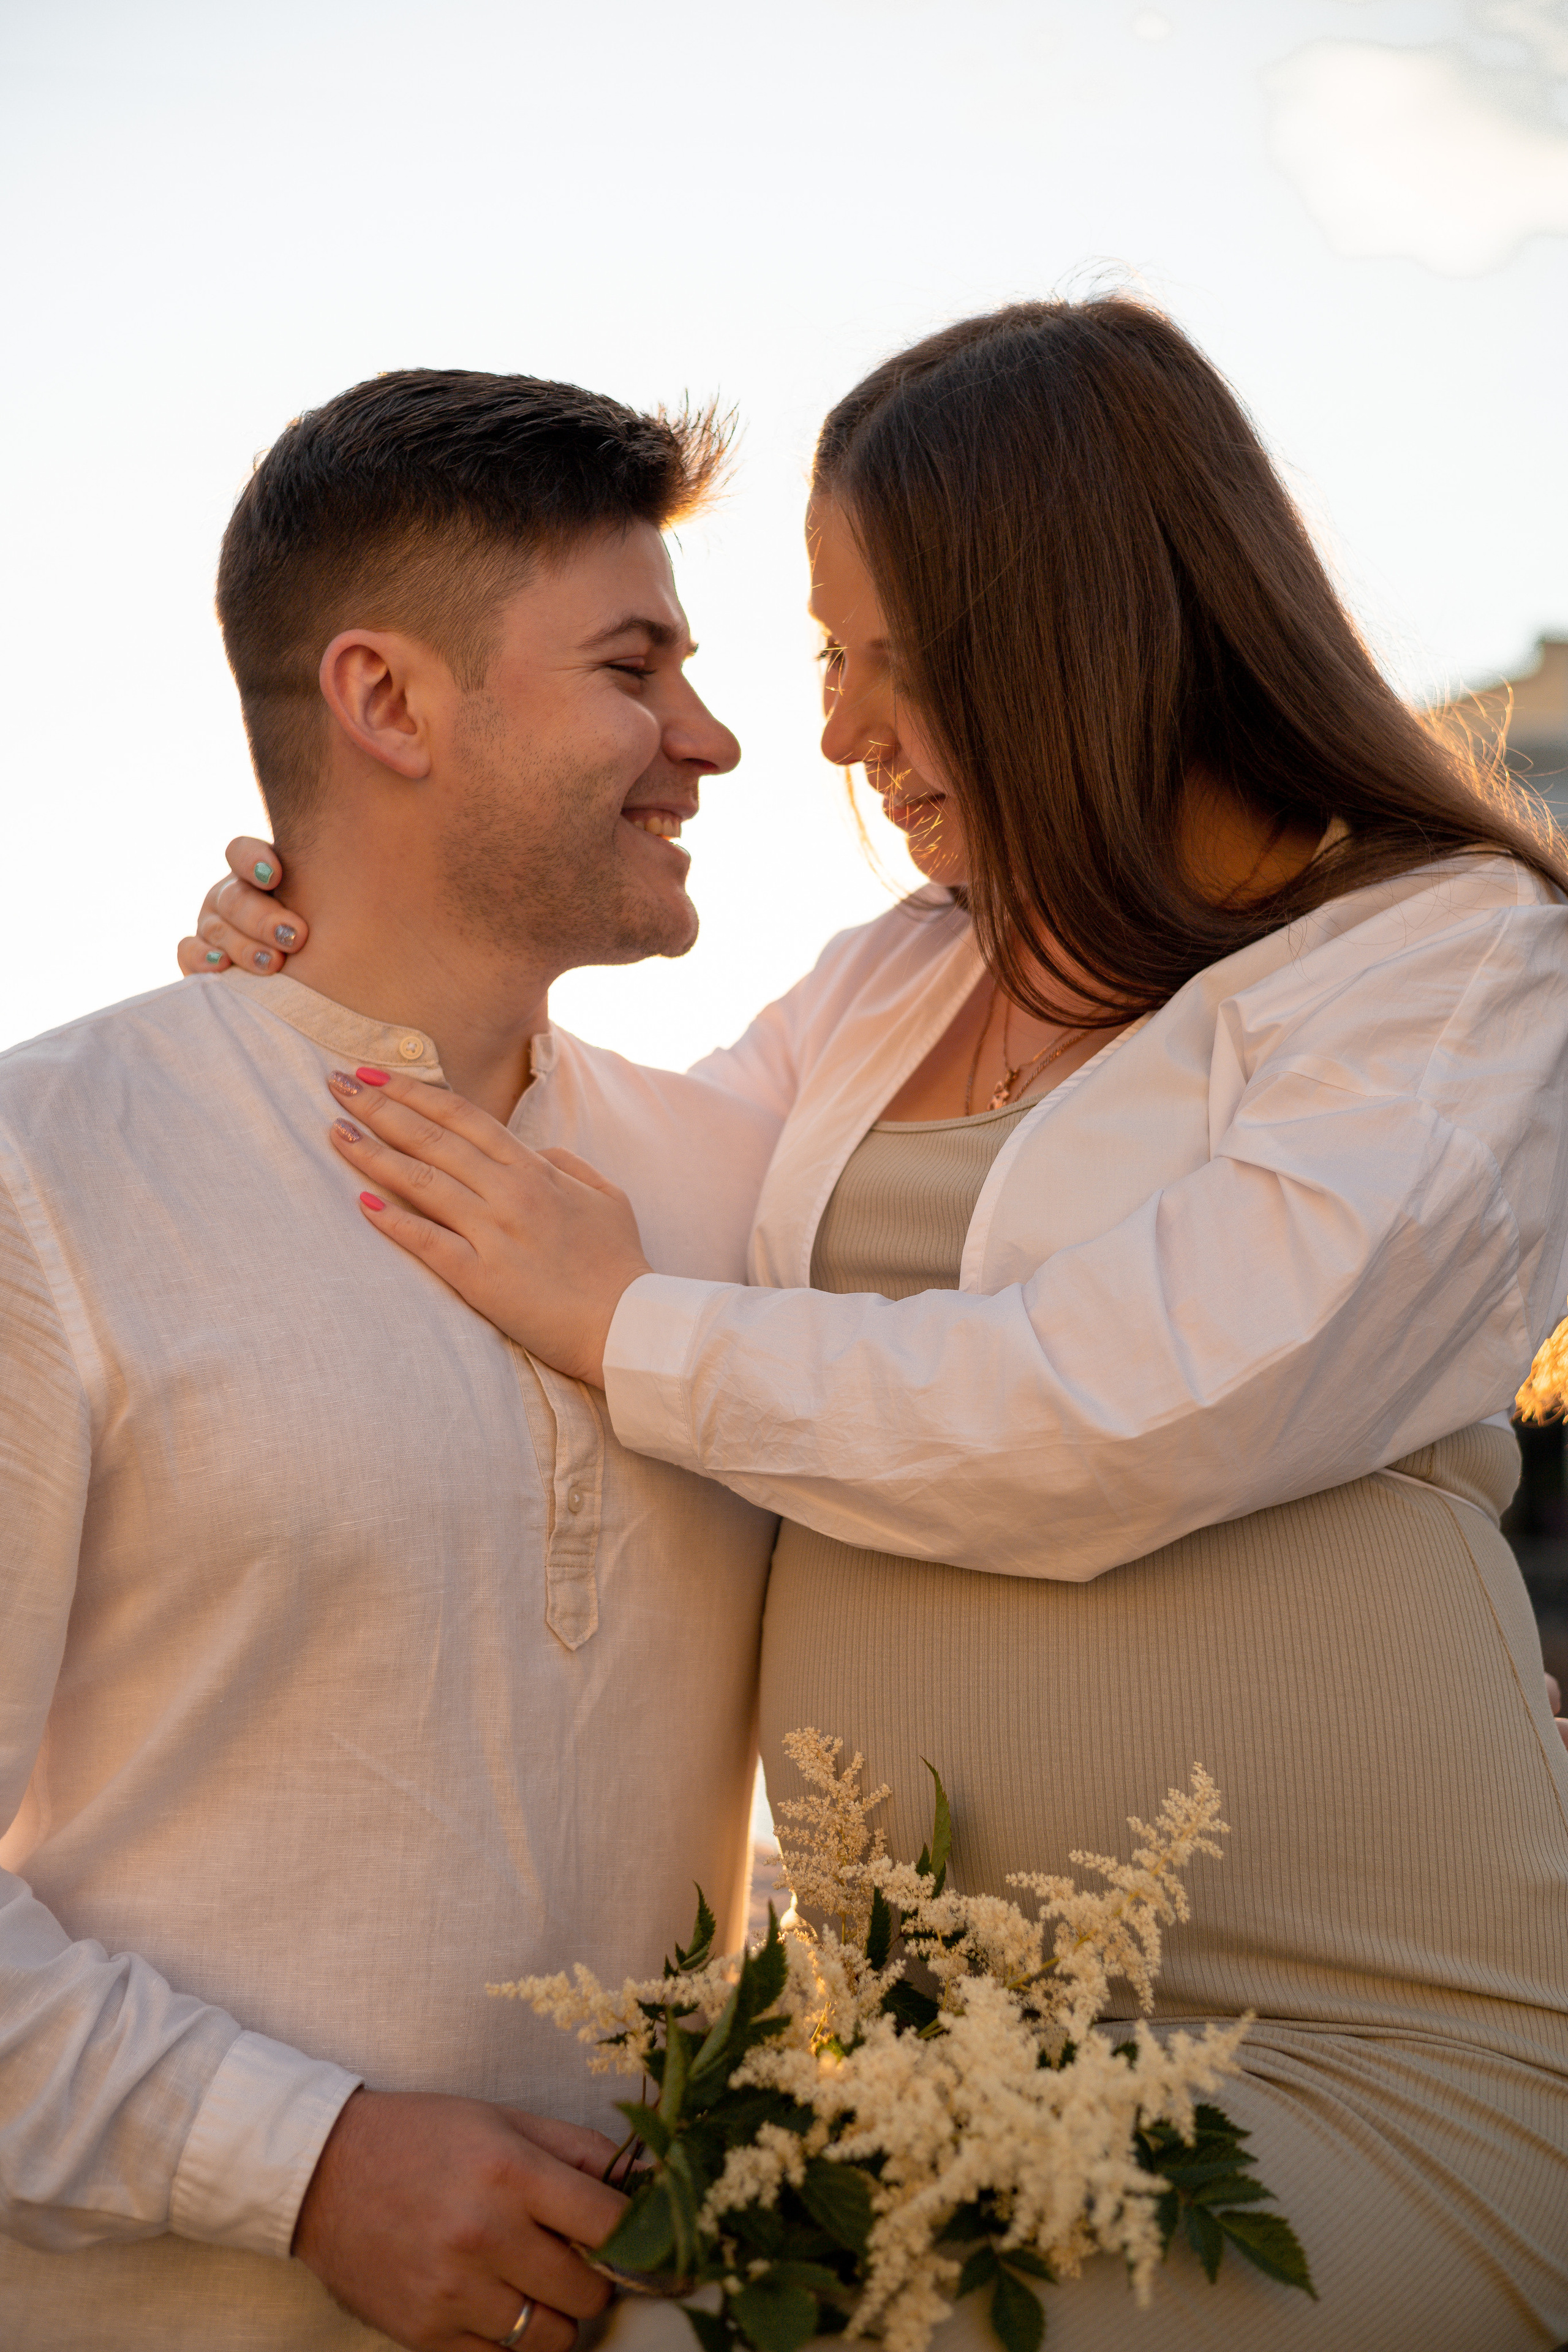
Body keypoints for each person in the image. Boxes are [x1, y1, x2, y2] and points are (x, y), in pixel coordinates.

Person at [228, 302, 1568, 2349]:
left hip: (1357, 2054)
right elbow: (604, 1172)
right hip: (953, 2072)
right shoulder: (891, 981)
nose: (834, 731)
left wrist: (637, 1331)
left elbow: (1132, 1407)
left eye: (878, 654)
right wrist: (341, 971)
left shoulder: (1450, 964)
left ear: (1075, 626)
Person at [0, 368, 797, 2352]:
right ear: (387, 703)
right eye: (636, 668)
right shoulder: (45, 1175)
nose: (710, 738)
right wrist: (302, 2159)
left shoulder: (747, 1190)